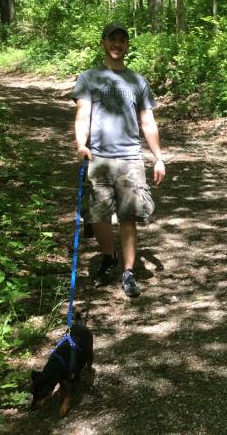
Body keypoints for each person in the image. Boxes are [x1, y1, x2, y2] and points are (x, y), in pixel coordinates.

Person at [72, 22, 166, 298]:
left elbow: (147, 121)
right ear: (103, 43)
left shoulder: (138, 81)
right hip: (99, 157)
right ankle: (108, 254)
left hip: (130, 158)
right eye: (112, 39)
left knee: (128, 217)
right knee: (98, 216)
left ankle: (128, 270)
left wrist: (158, 157)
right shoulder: (89, 78)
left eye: (122, 40)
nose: (117, 44)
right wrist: (80, 144)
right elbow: (82, 115)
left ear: (126, 45)